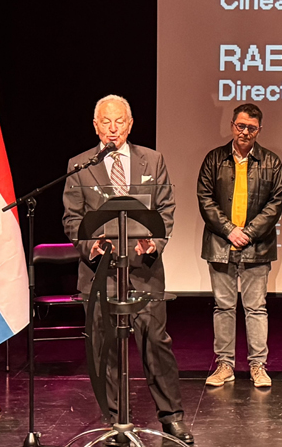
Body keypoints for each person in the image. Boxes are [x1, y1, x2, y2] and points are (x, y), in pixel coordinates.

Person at [62, 94, 193, 445]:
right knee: (106, 350)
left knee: (156, 344)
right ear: (95, 126)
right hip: (100, 275)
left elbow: (165, 208)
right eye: (106, 121)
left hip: (143, 271)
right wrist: (92, 246)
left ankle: (172, 418)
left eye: (119, 121)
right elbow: (72, 219)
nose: (113, 127)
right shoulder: (80, 165)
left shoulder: (153, 160)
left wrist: (152, 243)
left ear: (130, 124)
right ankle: (118, 421)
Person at [197, 103, 282, 388]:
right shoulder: (214, 159)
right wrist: (229, 231)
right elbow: (205, 199)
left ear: (260, 130)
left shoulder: (271, 162)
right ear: (232, 125)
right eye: (240, 126)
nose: (245, 132)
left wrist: (247, 233)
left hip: (256, 246)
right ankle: (225, 365)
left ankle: (258, 365)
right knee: (223, 307)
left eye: (251, 128)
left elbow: (275, 204)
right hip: (221, 244)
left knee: (256, 308)